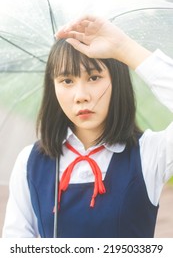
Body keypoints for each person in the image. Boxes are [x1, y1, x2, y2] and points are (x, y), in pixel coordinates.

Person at [2, 15, 173, 238]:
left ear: (117, 82)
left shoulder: (150, 152)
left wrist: (124, 49)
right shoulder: (30, 162)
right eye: (67, 81)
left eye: (93, 77)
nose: (81, 96)